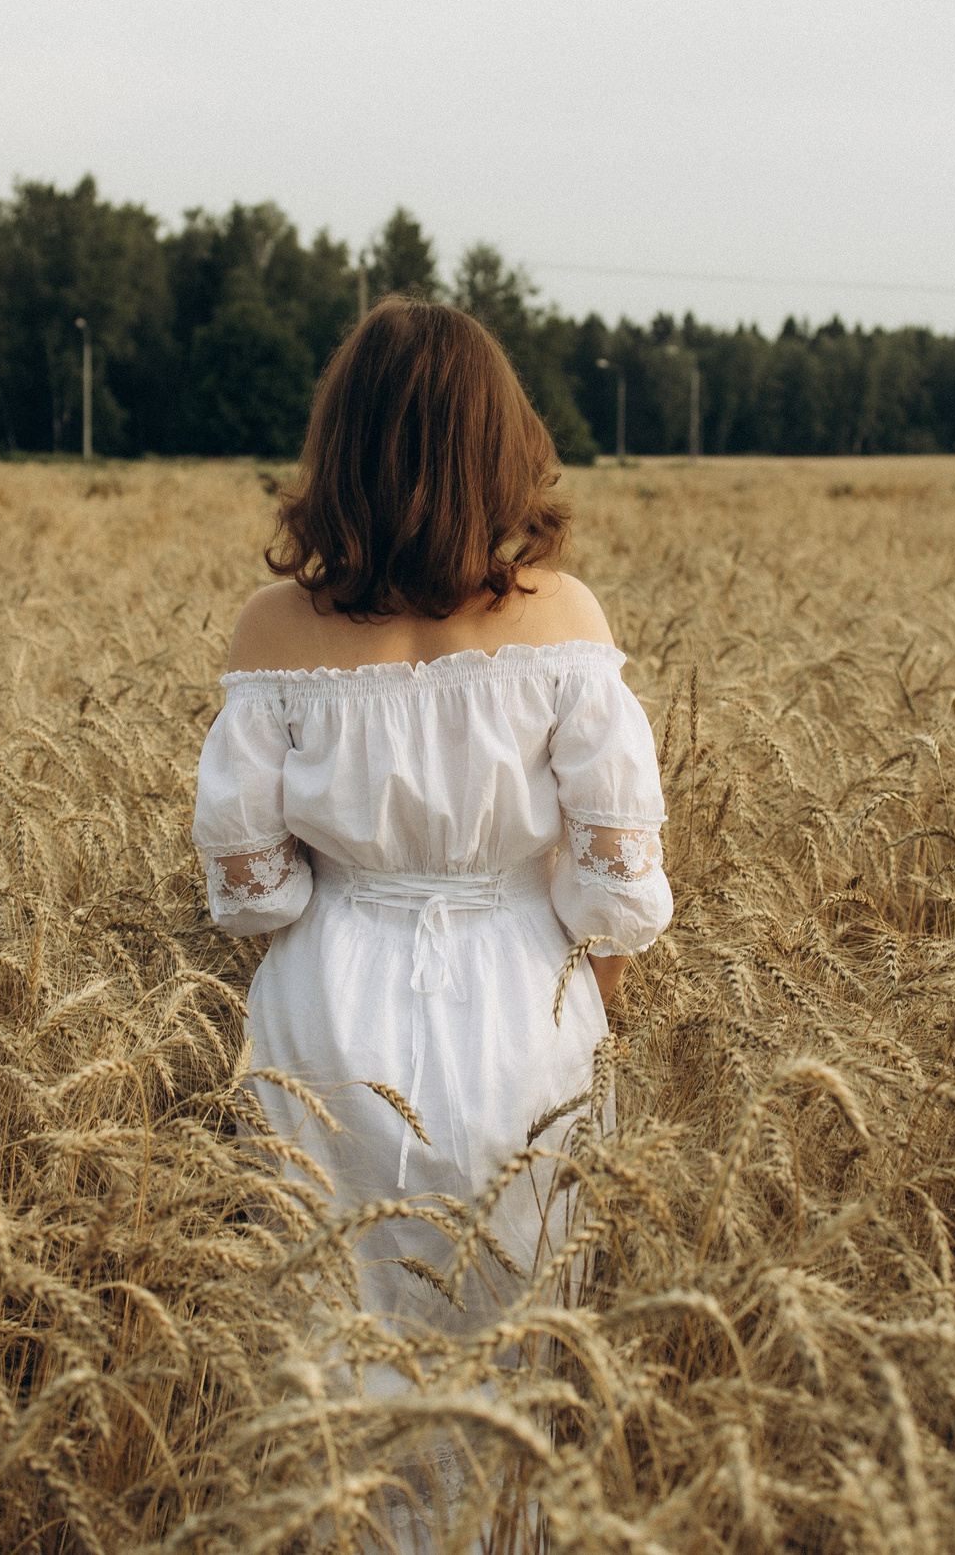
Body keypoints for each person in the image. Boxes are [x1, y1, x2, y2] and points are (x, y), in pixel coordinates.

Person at [192, 296, 675, 1369]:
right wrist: (590, 1008)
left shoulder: (272, 629)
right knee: (521, 1322)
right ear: (500, 448)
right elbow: (614, 876)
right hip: (526, 997)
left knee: (328, 1331)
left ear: (339, 447)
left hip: (326, 1003)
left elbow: (253, 889)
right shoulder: (564, 620)